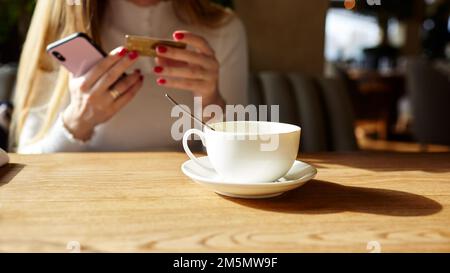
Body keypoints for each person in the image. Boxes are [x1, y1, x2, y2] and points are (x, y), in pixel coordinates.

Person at [11, 0, 248, 153]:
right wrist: (77, 122)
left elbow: (244, 155)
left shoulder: (224, 30)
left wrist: (211, 104)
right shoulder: (63, 26)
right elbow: (30, 161)